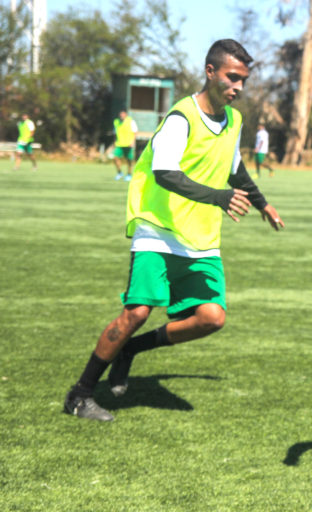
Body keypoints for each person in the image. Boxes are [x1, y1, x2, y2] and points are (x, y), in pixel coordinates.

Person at [64, 39, 285, 422]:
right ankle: (80, 394)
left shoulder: (233, 121)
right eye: (233, 77)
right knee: (136, 313)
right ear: (210, 71)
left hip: (200, 237)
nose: (239, 87)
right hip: (159, 228)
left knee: (212, 317)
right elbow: (165, 173)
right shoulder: (181, 117)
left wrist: (262, 202)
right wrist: (219, 197)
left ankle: (130, 351)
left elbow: (235, 169)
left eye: (244, 80)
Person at [113, 109, 138, 181]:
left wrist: (133, 142)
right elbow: (115, 133)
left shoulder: (131, 121)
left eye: (123, 114)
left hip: (128, 144)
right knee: (115, 158)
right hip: (119, 144)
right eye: (120, 114)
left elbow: (135, 132)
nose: (121, 116)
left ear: (126, 114)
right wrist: (114, 142)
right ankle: (119, 173)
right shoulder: (116, 122)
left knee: (129, 160)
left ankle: (129, 174)